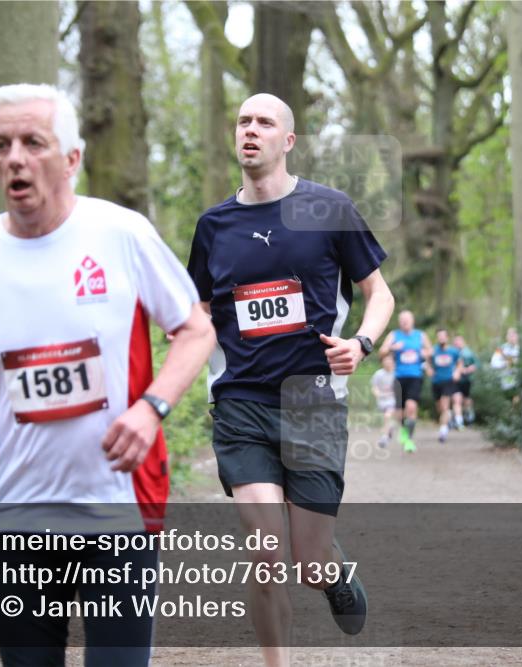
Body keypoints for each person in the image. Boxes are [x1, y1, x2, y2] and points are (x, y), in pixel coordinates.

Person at [0, 83, 215, 667]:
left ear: (72, 159)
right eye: (3, 145)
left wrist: (149, 407)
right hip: (19, 511)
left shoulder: (121, 235)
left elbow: (196, 330)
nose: (15, 158)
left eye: (34, 142)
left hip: (117, 506)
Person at [186, 93, 394, 666]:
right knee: (264, 551)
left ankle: (331, 573)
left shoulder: (329, 209)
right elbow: (199, 311)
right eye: (243, 121)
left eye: (264, 122)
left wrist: (361, 343)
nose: (250, 130)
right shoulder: (214, 225)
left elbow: (379, 292)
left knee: (308, 561)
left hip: (314, 402)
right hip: (241, 403)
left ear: (289, 140)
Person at [378, 310, 431, 453]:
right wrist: (391, 348)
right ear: (399, 322)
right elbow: (381, 351)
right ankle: (403, 431)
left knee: (411, 407)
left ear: (412, 321)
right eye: (402, 320)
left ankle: (409, 440)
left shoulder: (420, 335)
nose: (404, 322)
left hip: (415, 376)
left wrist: (424, 353)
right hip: (399, 377)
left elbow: (430, 351)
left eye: (407, 319)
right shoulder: (394, 335)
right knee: (399, 412)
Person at [428, 328, 462, 443]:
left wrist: (457, 372)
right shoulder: (433, 351)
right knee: (440, 408)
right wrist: (429, 369)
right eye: (439, 336)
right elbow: (427, 362)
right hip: (436, 382)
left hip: (448, 381)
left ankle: (443, 432)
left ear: (447, 338)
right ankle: (449, 416)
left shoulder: (453, 351)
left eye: (443, 336)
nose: (441, 338)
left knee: (444, 405)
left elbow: (460, 363)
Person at [370, 354, 398, 448]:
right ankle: (389, 430)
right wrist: (378, 393)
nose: (387, 362)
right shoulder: (378, 374)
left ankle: (384, 438)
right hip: (382, 401)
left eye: (389, 360)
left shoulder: (397, 373)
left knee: (387, 416)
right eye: (385, 360)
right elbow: (374, 387)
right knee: (387, 419)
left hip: (394, 400)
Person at [453, 334, 480, 425]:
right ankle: (458, 420)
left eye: (459, 341)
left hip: (466, 380)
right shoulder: (452, 353)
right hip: (455, 381)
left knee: (466, 399)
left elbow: (476, 364)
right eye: (456, 342)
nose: (457, 343)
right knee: (457, 399)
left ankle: (469, 415)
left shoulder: (468, 353)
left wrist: (468, 369)